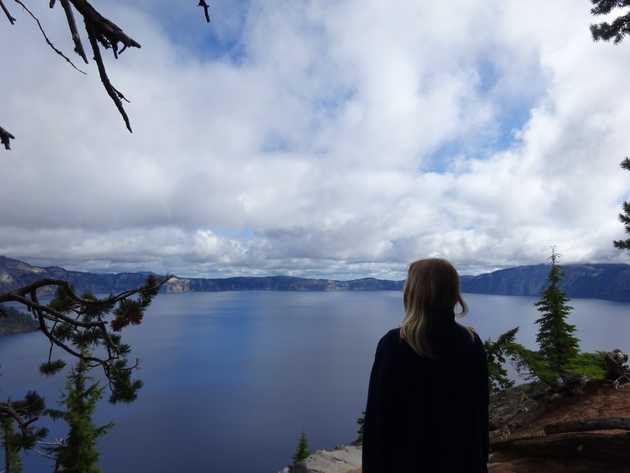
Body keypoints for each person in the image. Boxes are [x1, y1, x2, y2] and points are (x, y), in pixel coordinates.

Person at [362, 258, 489, 473]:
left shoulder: (394, 344)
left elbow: (378, 420)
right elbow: (479, 412)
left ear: (413, 293)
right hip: (461, 461)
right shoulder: (471, 342)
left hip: (406, 462)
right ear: (452, 292)